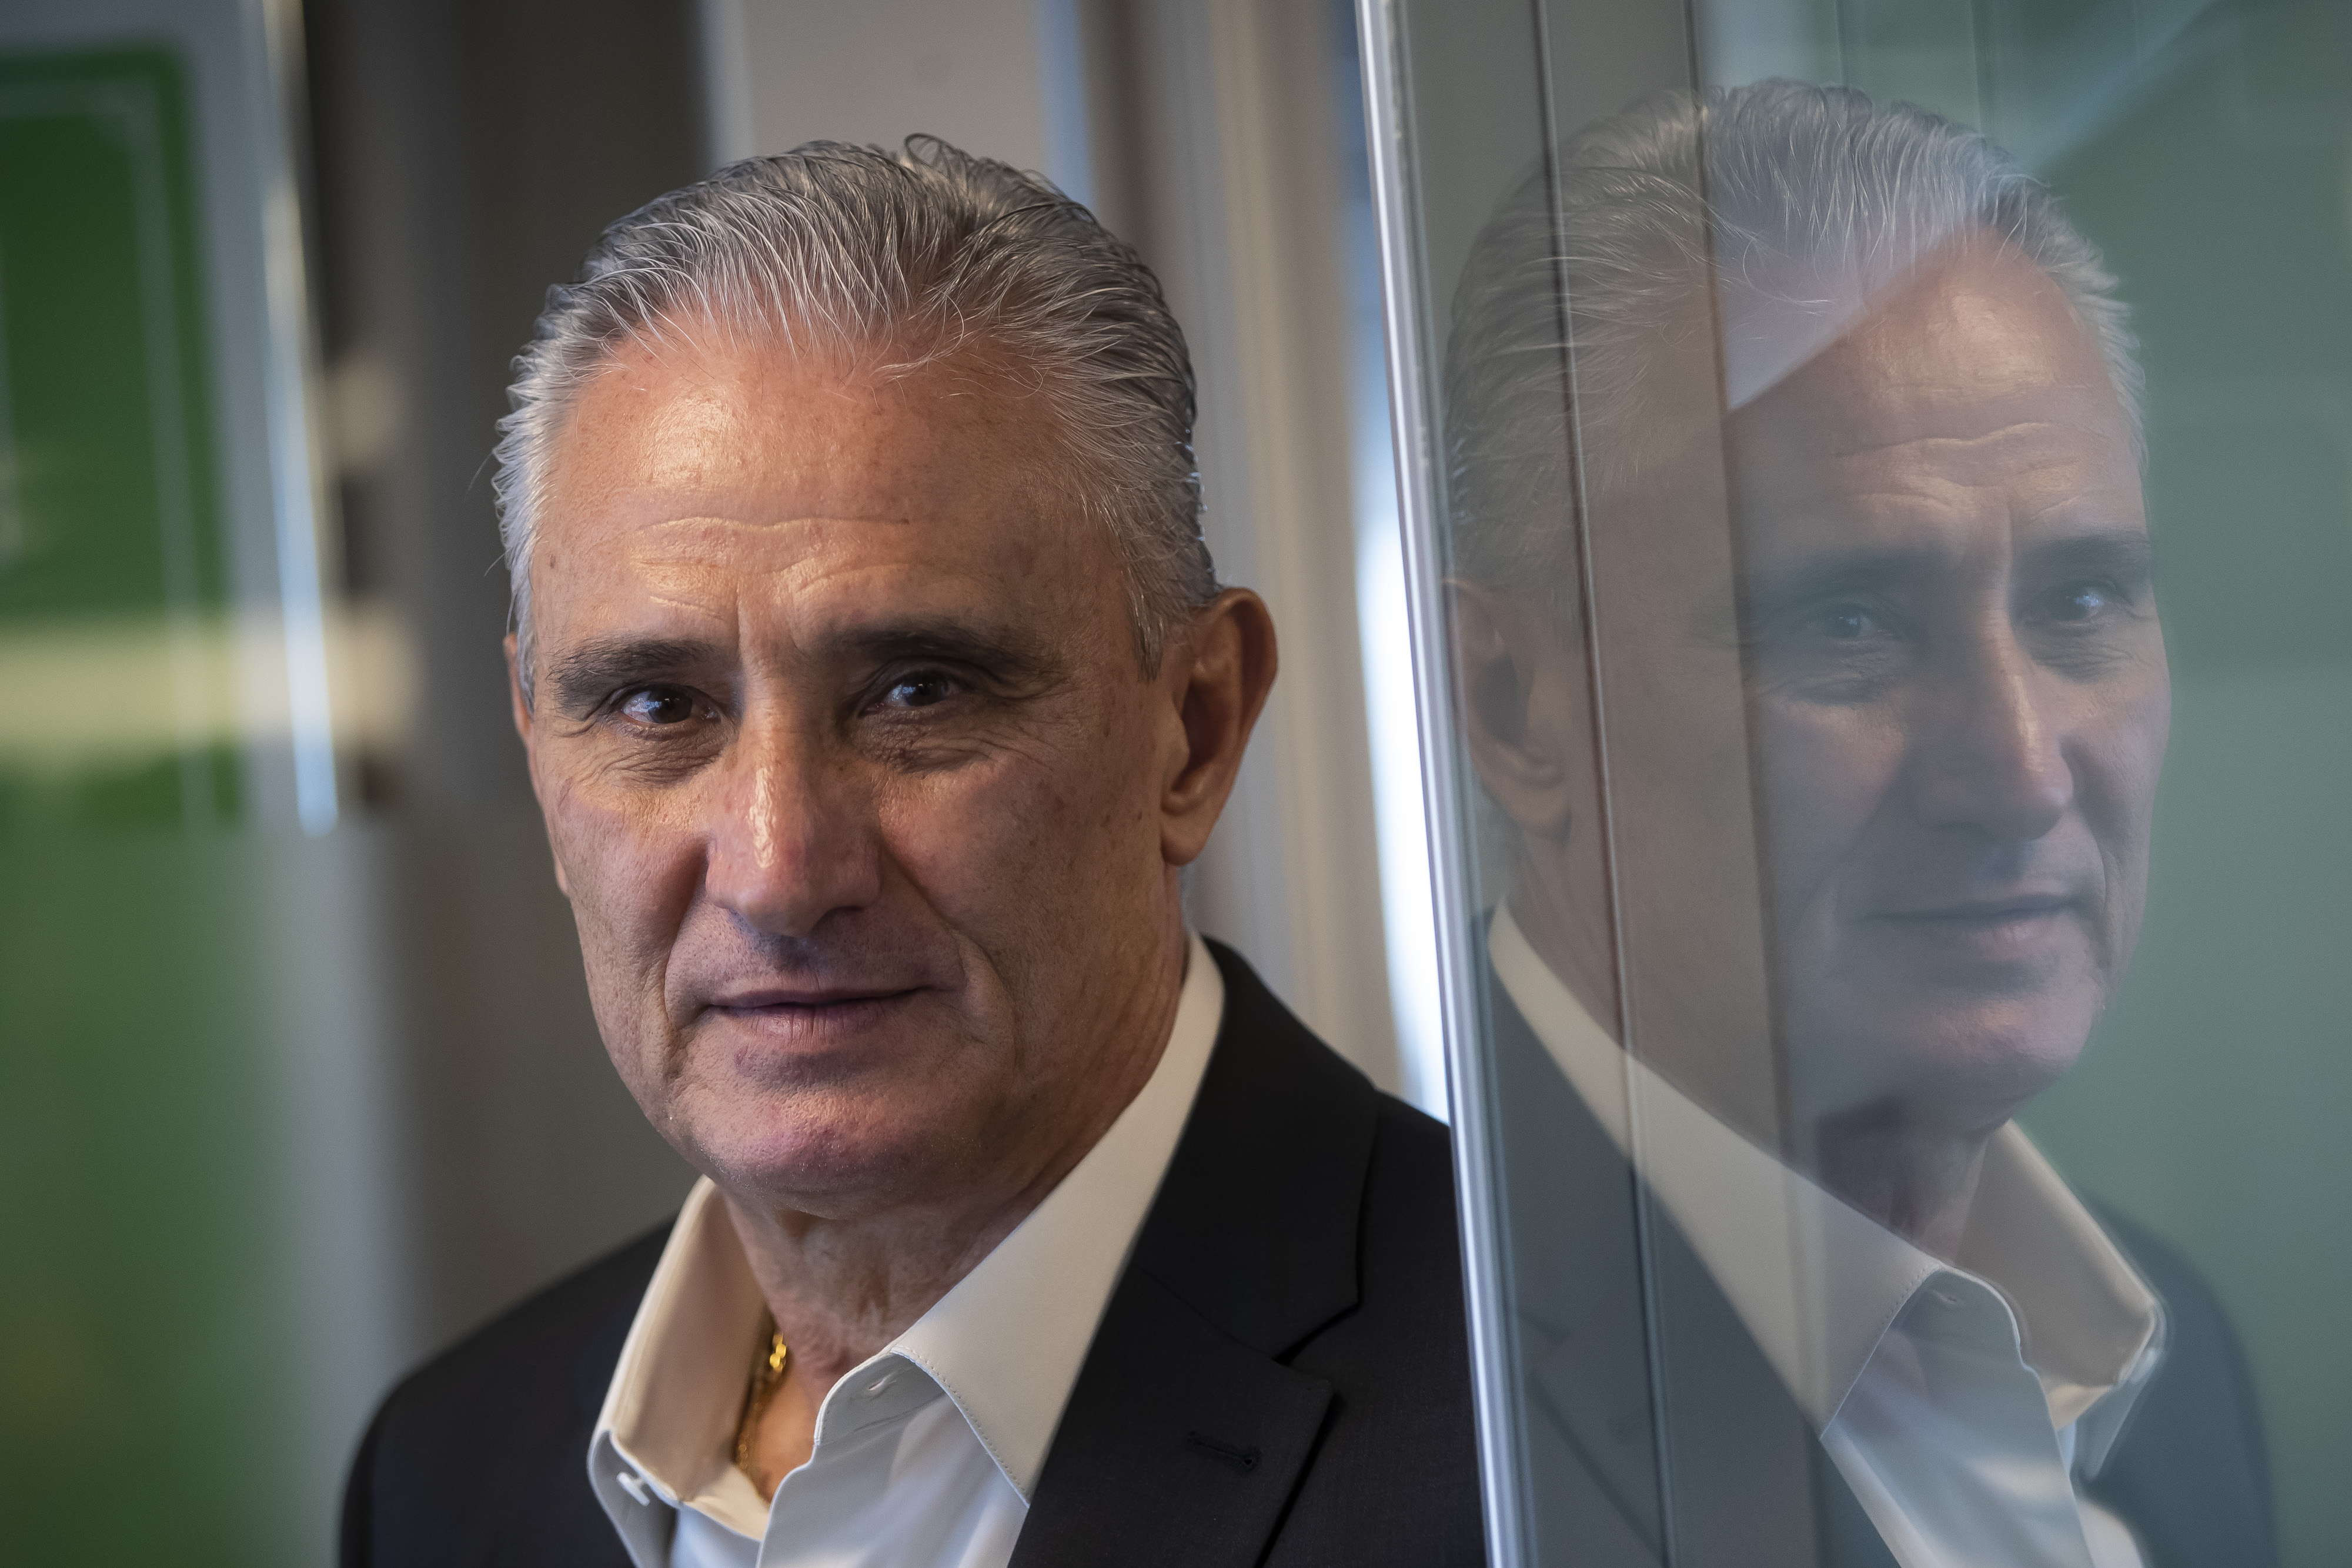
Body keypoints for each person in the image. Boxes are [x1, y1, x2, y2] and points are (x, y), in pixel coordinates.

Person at [339, 139, 1484, 1568]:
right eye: (655, 705)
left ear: (1191, 731)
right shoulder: (448, 1471)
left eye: (915, 693)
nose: (775, 868)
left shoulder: (1572, 1432)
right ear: (537, 747)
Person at [1444, 83, 2276, 1568]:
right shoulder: (1349, 1419)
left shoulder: (2167, 1345)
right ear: (1513, 707)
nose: (2019, 773)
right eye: (1845, 621)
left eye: (2079, 602)